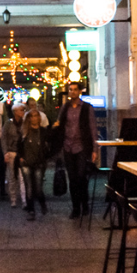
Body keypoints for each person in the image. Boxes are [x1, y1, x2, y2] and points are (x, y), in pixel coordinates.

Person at [51, 81, 97, 218]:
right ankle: (76, 207)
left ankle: (85, 205)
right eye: (70, 90)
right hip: (68, 146)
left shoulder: (87, 108)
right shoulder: (65, 107)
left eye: (75, 90)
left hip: (81, 146)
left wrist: (95, 149)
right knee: (72, 178)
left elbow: (93, 128)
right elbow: (60, 125)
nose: (72, 92)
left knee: (81, 177)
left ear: (80, 91)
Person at [16, 108, 50, 219]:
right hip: (26, 162)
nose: (34, 118)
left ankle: (42, 203)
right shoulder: (24, 131)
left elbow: (49, 146)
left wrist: (45, 156)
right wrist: (21, 157)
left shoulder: (43, 131)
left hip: (38, 163)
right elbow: (19, 145)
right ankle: (31, 210)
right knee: (29, 188)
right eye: (32, 116)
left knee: (38, 188)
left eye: (36, 116)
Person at [2, 105, 24, 208]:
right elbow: (4, 138)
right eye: (21, 110)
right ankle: (13, 198)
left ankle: (24, 199)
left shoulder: (24, 123)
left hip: (21, 153)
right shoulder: (8, 123)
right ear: (15, 111)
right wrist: (5, 152)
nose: (23, 111)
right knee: (11, 176)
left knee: (22, 176)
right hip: (11, 152)